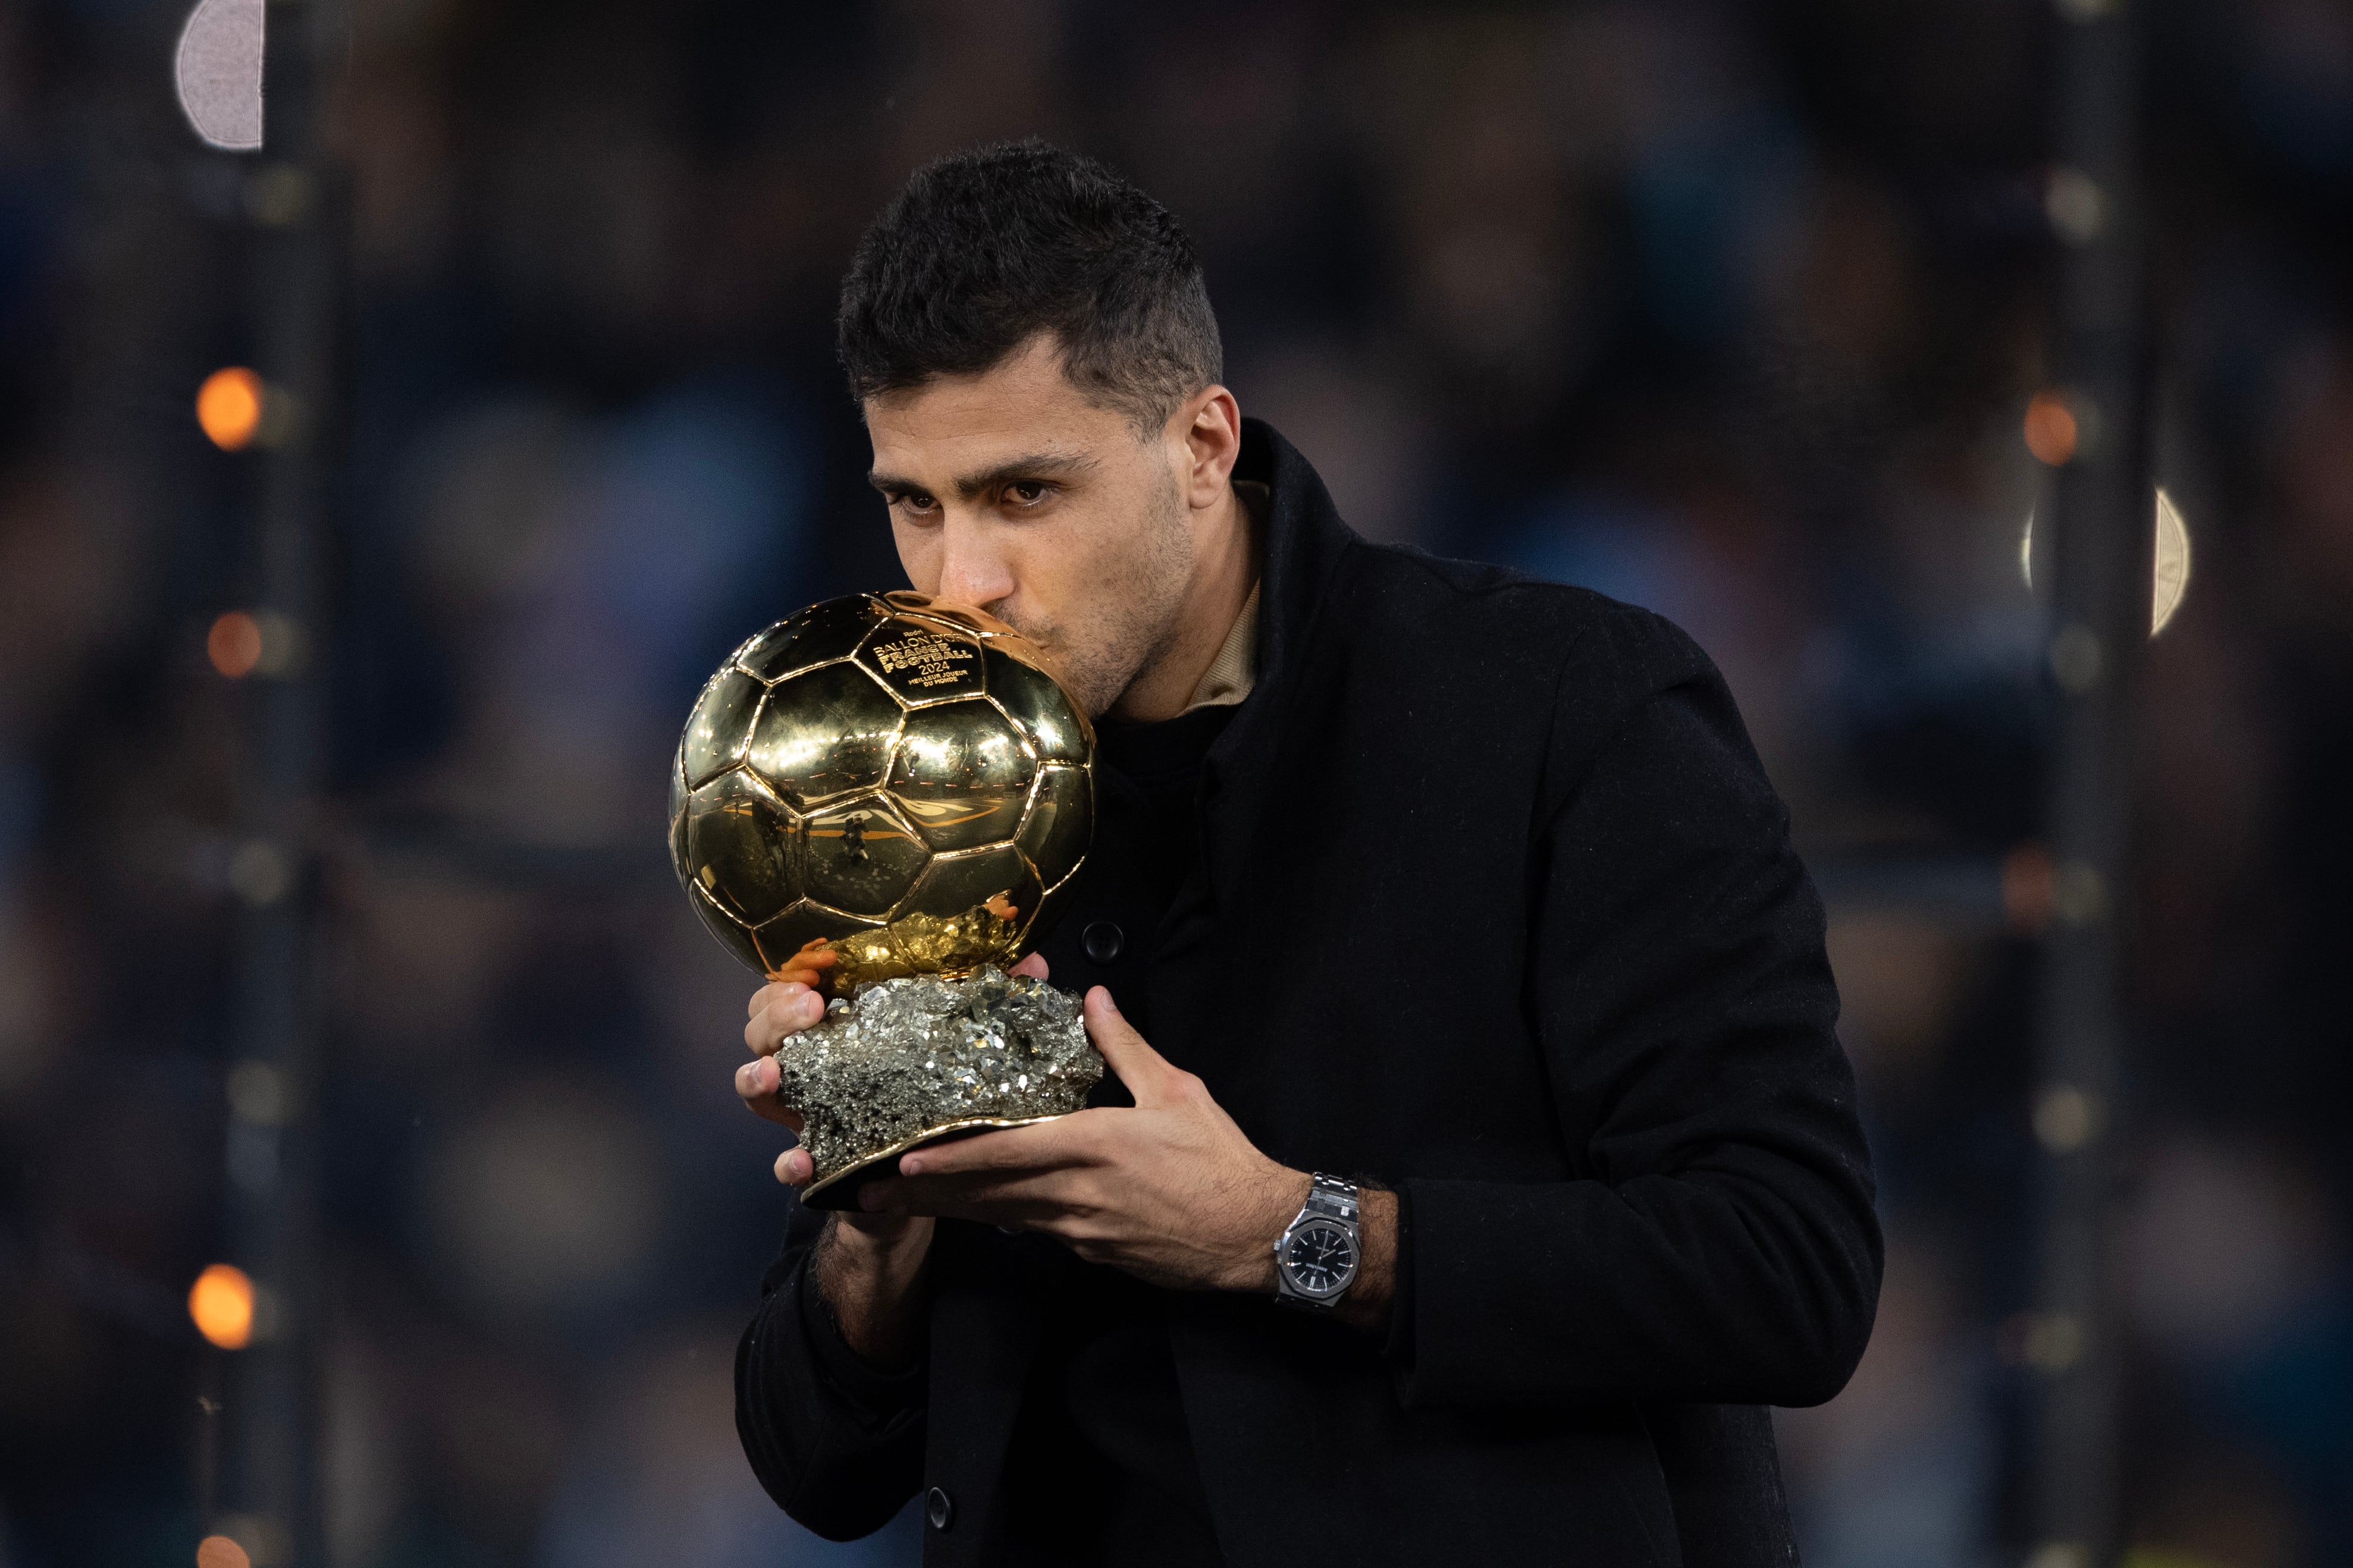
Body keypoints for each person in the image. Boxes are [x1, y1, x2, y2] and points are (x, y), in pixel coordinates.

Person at [732, 138, 1880, 1567]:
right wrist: (876, 1205)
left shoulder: (1567, 707)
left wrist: (1290, 1232)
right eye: (917, 501)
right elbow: (817, 1465)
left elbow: (1787, 1269)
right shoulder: (917, 804)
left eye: (1024, 493)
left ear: (1202, 446)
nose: (961, 581)